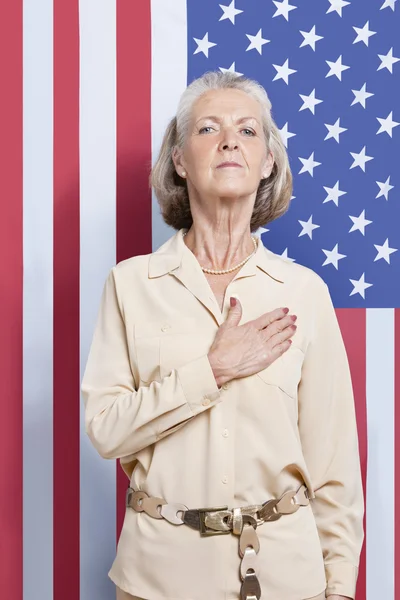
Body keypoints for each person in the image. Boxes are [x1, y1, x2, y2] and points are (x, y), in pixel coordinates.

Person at [81, 71, 364, 600]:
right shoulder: (131, 283)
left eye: (248, 131)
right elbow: (105, 429)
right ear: (180, 161)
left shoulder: (304, 292)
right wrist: (211, 370)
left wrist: (340, 588)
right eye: (209, 128)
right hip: (158, 579)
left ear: (268, 163)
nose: (231, 139)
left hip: (287, 577)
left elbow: (335, 467)